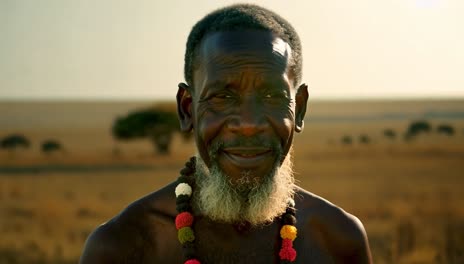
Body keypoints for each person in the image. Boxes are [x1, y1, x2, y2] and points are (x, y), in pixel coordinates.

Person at [80, 4, 373, 263]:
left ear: (300, 109)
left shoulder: (339, 241)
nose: (248, 124)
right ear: (187, 110)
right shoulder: (122, 246)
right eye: (222, 97)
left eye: (272, 97)